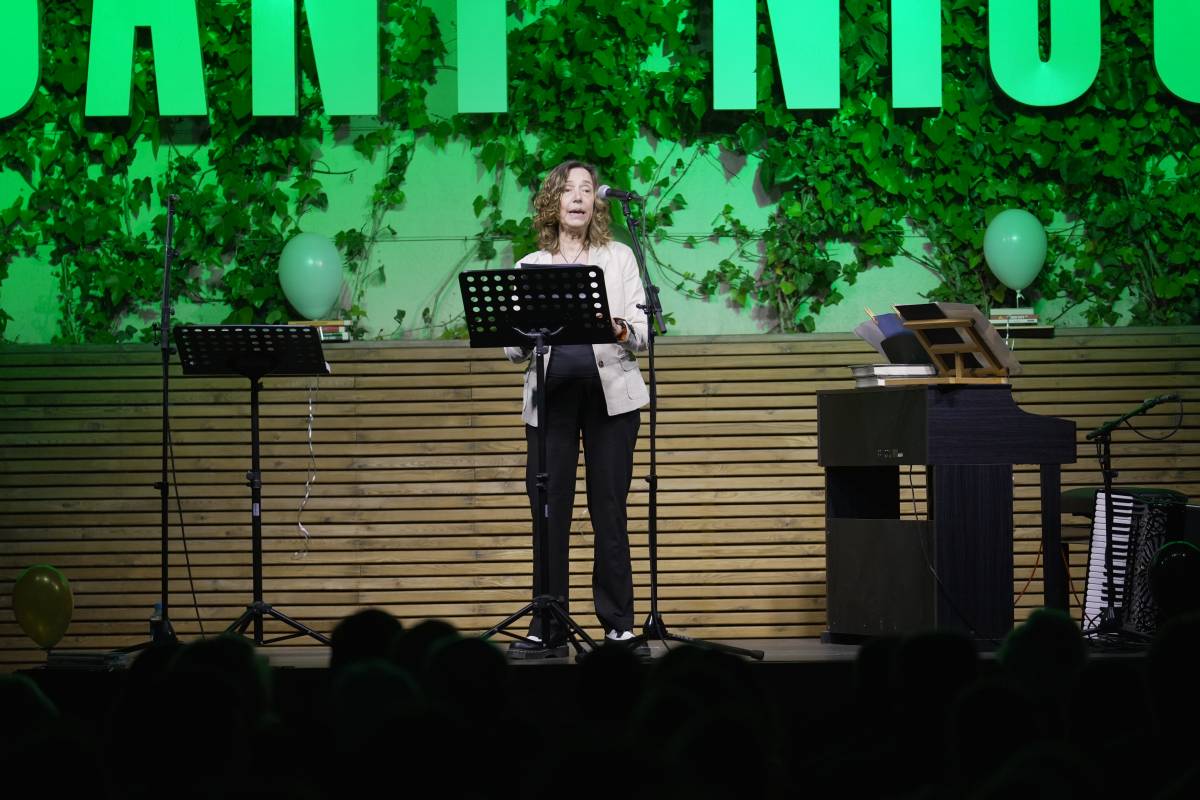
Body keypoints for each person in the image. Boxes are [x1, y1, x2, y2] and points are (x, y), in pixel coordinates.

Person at [503, 160, 650, 658]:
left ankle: (618, 627)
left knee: (609, 510)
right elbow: (511, 349)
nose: (579, 196)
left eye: (587, 189)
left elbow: (645, 331)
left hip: (611, 396)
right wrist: (522, 335)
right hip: (552, 400)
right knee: (549, 513)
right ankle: (549, 627)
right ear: (553, 200)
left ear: (597, 202)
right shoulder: (530, 267)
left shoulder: (620, 257)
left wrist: (623, 329)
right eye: (568, 189)